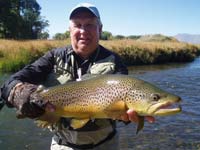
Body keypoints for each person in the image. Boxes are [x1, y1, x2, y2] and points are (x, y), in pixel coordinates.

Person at [0, 3, 154, 150]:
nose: (83, 31)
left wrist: (130, 117)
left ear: (100, 29)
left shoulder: (115, 61)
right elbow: (10, 83)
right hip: (63, 145)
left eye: (89, 25)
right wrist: (25, 95)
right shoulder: (53, 57)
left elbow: (125, 106)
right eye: (77, 25)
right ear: (69, 30)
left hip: (106, 145)